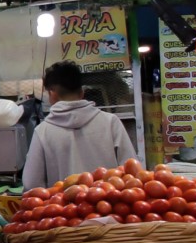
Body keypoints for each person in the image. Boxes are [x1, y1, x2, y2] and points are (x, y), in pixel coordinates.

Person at [21, 60, 137, 189]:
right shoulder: (110, 122)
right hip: (107, 206)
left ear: (52, 93)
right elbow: (132, 172)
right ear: (82, 92)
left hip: (62, 207)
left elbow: (31, 183)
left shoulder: (43, 131)